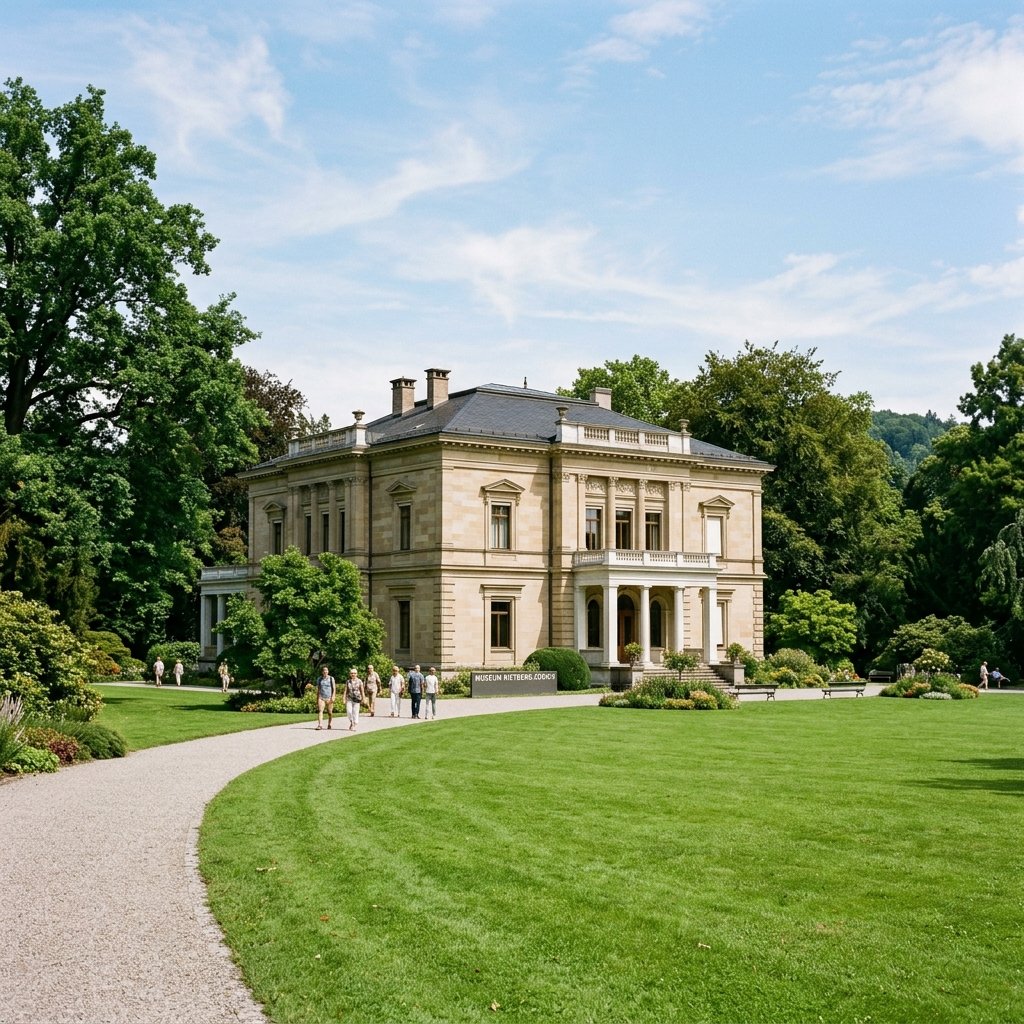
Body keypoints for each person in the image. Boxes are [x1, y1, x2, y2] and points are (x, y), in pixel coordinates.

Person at [316, 665, 336, 730]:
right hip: (321, 697)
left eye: (326, 670)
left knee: (329, 712)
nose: (325, 671)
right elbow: (318, 689)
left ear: (328, 671)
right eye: (324, 670)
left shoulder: (331, 678)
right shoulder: (319, 679)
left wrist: (333, 696)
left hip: (329, 697)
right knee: (320, 711)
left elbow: (334, 688)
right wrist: (317, 698)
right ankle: (320, 725)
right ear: (322, 672)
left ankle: (329, 724)